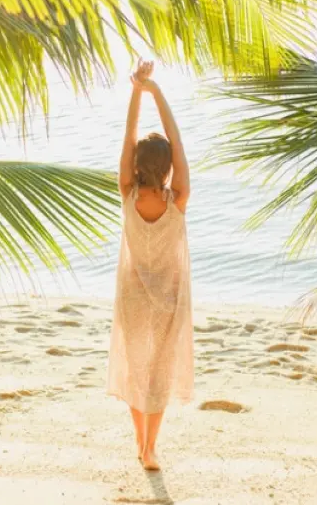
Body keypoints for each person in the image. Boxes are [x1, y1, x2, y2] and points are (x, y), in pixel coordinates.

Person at [106, 60, 194, 472]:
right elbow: (176, 141)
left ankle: (140, 441)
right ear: (170, 164)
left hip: (131, 293)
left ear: (138, 164)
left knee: (135, 366)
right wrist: (156, 92)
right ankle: (149, 448)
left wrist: (135, 93)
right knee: (157, 372)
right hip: (168, 296)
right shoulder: (178, 197)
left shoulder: (127, 193)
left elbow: (127, 138)